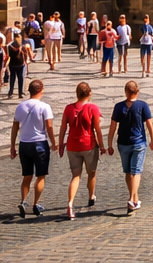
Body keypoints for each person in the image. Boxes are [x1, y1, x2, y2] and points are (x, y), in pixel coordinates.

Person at [107, 80, 153, 213]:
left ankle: (135, 197)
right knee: (136, 172)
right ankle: (132, 199)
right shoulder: (143, 105)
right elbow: (149, 124)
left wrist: (109, 144)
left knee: (128, 172)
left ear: (126, 92)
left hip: (123, 143)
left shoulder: (118, 107)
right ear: (137, 92)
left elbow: (112, 127)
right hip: (138, 142)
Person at [58, 81, 103, 219]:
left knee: (75, 176)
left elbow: (63, 128)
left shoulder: (68, 108)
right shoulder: (93, 108)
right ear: (89, 94)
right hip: (88, 145)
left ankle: (70, 203)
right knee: (92, 173)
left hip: (72, 146)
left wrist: (61, 144)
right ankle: (91, 196)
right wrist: (102, 145)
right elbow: (97, 128)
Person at [11, 78, 56, 217]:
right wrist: (54, 142)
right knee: (40, 176)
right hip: (39, 143)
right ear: (41, 90)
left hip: (24, 144)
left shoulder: (20, 106)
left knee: (27, 175)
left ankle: (24, 201)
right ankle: (36, 204)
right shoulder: (44, 107)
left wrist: (12, 146)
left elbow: (15, 127)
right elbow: (49, 127)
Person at [6, 33, 31, 99]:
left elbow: (8, 56)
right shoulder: (22, 46)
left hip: (12, 63)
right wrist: (26, 61)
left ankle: (10, 92)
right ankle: (20, 93)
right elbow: (25, 55)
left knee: (12, 78)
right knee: (21, 78)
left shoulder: (9, 46)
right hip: (20, 63)